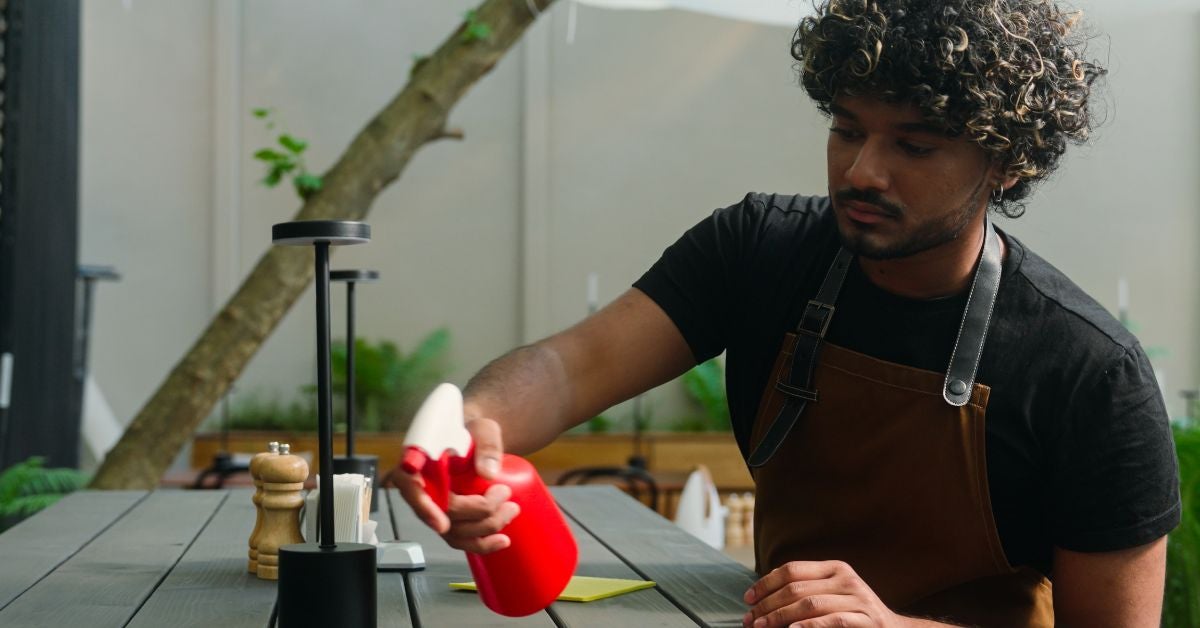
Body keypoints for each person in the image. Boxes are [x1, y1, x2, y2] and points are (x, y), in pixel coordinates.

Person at [398, 0, 1181, 625]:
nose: (862, 169)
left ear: (1005, 165)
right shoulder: (756, 250)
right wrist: (470, 432)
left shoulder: (1090, 375)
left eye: (913, 145)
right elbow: (570, 369)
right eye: (846, 129)